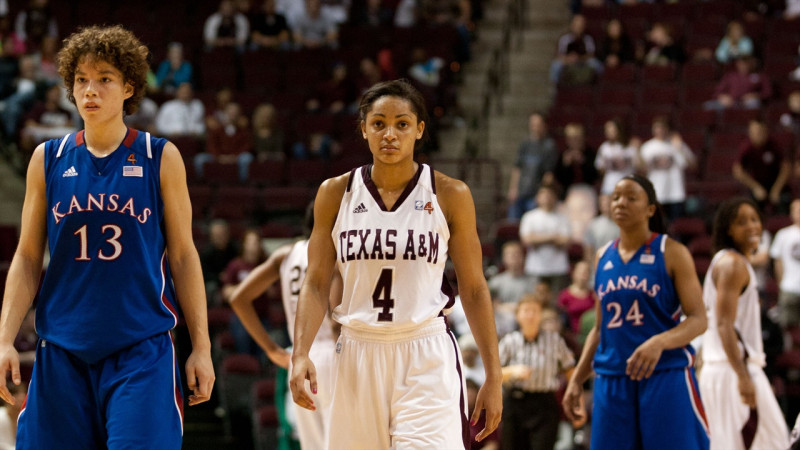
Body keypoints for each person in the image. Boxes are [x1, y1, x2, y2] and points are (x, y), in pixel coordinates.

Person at [0, 25, 214, 448]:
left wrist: (201, 348)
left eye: (104, 79)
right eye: (81, 79)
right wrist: (5, 338)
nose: (89, 90)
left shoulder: (160, 156)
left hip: (141, 350)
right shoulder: (49, 159)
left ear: (128, 87)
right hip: (61, 349)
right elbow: (26, 257)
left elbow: (185, 257)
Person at [289, 79, 502, 448]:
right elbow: (316, 282)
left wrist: (493, 375)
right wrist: (300, 353)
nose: (390, 134)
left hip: (424, 352)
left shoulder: (450, 194)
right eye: (379, 123)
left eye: (402, 123)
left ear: (419, 130)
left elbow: (474, 288)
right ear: (364, 129)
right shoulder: (335, 193)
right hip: (357, 352)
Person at [562, 174, 710, 450]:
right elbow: (599, 328)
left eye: (632, 197)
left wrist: (659, 342)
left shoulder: (671, 251)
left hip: (663, 373)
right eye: (616, 197)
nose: (621, 203)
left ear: (650, 209)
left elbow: (699, 319)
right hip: (612, 377)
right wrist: (577, 379)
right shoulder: (602, 256)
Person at [229, 201, 338, 450]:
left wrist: (271, 349)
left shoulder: (285, 254)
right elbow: (334, 321)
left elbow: (238, 298)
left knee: (312, 445)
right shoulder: (335, 253)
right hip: (333, 355)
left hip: (298, 359)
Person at [698, 197, 790, 449]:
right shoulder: (733, 264)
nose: (752, 227)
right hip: (733, 371)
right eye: (742, 222)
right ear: (727, 228)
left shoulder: (725, 260)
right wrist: (743, 377)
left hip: (722, 369)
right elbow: (724, 325)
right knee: (775, 443)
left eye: (755, 220)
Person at [499, 294, 576, 450]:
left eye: (535, 311)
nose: (530, 315)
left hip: (544, 404)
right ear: (517, 315)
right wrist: (512, 371)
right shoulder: (509, 341)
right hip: (514, 402)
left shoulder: (554, 340)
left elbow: (570, 370)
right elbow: (492, 375)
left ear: (541, 315)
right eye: (526, 310)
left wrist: (577, 401)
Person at [638, 116, 697, 222]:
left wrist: (680, 148)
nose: (659, 130)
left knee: (676, 226)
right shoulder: (647, 147)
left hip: (675, 193)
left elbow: (692, 165)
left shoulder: (676, 144)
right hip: (657, 193)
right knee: (657, 226)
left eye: (662, 127)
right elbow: (641, 170)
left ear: (667, 129)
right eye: (657, 128)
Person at [519, 183, 572, 294]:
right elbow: (527, 239)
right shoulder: (530, 217)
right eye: (544, 195)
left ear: (555, 198)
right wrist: (552, 237)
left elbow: (565, 241)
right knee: (536, 300)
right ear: (537, 198)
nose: (547, 198)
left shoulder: (562, 218)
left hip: (558, 268)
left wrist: (538, 238)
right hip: (536, 267)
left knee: (556, 303)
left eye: (550, 195)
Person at [732, 119, 791, 214]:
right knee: (750, 207)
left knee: (783, 202)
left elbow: (786, 168)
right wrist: (755, 187)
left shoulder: (774, 145)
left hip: (777, 184)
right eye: (753, 132)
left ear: (765, 131)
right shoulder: (746, 147)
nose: (756, 134)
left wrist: (776, 189)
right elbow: (737, 170)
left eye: (759, 131)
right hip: (757, 184)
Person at [506, 112, 557, 220]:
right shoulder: (524, 144)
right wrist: (513, 188)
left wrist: (542, 195)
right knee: (513, 224)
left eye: (538, 124)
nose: (535, 127)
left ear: (544, 125)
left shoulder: (549, 146)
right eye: (533, 124)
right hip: (521, 191)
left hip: (535, 194)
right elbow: (517, 168)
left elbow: (548, 174)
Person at [488, 240, 537, 338]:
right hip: (503, 318)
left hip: (526, 315)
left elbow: (535, 302)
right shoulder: (495, 282)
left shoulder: (533, 281)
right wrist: (504, 308)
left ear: (523, 257)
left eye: (517, 254)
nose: (514, 257)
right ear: (504, 258)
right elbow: (492, 304)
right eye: (510, 254)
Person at [770, 198, 800, 330]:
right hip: (789, 288)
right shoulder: (783, 234)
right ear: (791, 213)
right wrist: (782, 283)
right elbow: (778, 261)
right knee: (788, 329)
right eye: (797, 210)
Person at [558, 260, 594, 333]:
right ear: (574, 273)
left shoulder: (593, 295)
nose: (584, 275)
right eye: (581, 272)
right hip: (571, 334)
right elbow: (561, 319)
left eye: (586, 272)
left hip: (590, 333)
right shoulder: (565, 295)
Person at [0, 382, 25, 450]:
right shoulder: (1, 416)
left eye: (23, 393)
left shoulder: (25, 417)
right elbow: (1, 445)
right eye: (17, 394)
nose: (21, 397)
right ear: (6, 397)